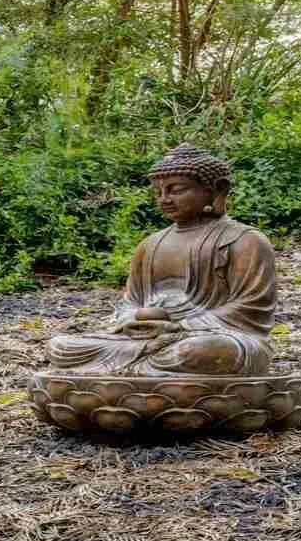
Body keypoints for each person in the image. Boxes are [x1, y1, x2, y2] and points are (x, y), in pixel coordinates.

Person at [45, 145, 278, 378]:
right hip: (148, 340)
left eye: (176, 190)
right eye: (159, 192)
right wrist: (134, 323)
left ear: (214, 190)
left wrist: (181, 326)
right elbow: (131, 303)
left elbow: (252, 308)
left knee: (203, 351)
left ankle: (122, 377)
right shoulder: (150, 245)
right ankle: (139, 374)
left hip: (211, 339)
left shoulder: (244, 240)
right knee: (61, 347)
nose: (164, 199)